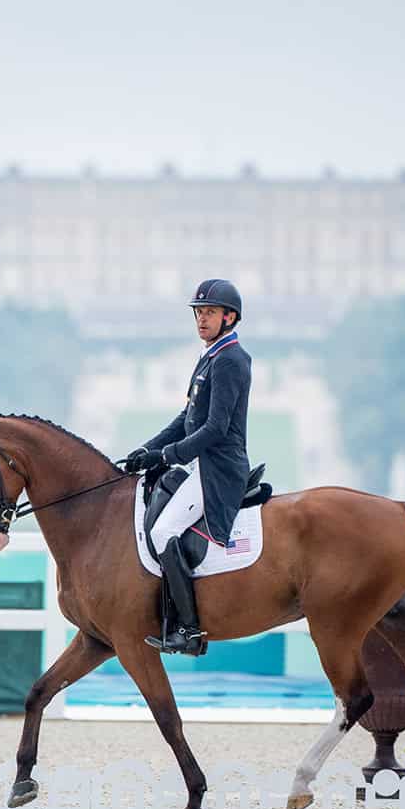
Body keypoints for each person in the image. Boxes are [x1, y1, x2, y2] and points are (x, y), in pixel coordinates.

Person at [124, 279, 252, 655]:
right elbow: (187, 418)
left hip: (219, 468)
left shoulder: (230, 359)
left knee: (163, 531)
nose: (201, 319)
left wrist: (166, 457)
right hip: (202, 463)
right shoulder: (210, 354)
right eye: (198, 312)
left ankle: (190, 631)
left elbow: (215, 428)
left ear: (230, 317)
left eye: (209, 312)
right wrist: (148, 448)